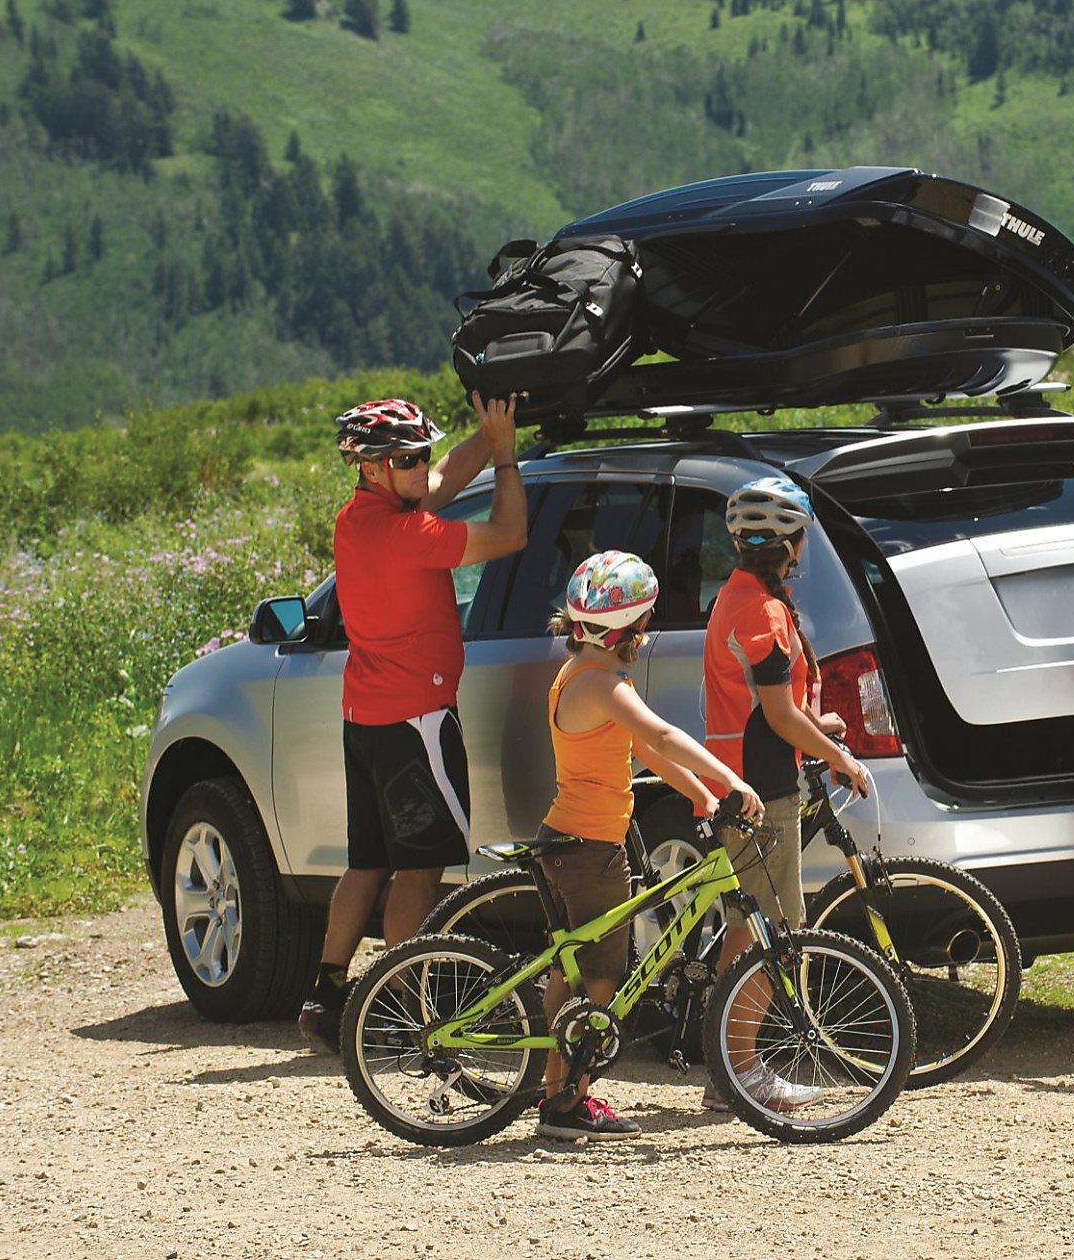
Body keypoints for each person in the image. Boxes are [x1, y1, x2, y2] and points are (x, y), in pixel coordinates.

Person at [298, 393, 528, 1052]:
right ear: (372, 467)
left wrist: (489, 435)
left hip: (367, 716)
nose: (421, 467)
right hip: (417, 720)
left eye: (423, 452)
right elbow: (510, 536)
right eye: (407, 458)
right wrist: (507, 457)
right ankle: (409, 1007)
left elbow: (439, 483)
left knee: (366, 863)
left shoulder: (358, 519)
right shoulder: (408, 535)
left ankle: (326, 994)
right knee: (419, 872)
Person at [530, 550, 765, 1141]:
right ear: (626, 627)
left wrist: (702, 794)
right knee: (602, 975)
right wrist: (733, 780)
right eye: (645, 621)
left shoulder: (583, 675)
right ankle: (567, 1102)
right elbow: (662, 732)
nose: (647, 632)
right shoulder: (601, 684)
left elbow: (647, 751)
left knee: (574, 965)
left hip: (577, 839)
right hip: (589, 847)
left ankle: (556, 1086)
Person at [699, 476, 871, 1113]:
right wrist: (841, 756)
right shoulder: (763, 611)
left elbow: (768, 704)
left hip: (744, 777)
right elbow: (774, 715)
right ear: (792, 544)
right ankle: (738, 1073)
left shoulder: (738, 597)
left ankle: (728, 1068)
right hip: (759, 789)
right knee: (773, 930)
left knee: (750, 926)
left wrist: (813, 725)